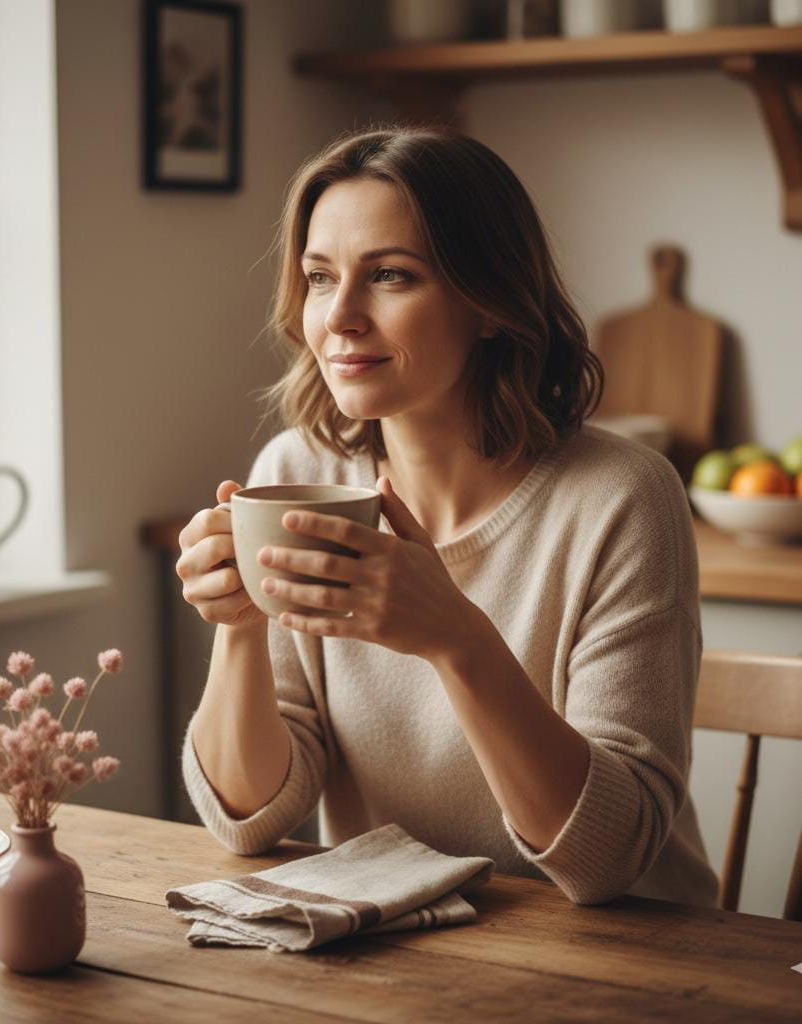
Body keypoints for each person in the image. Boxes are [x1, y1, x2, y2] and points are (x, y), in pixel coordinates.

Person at [175, 125, 720, 909]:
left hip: (633, 959)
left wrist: (454, 637)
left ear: (490, 303)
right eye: (320, 278)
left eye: (391, 276)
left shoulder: (621, 497)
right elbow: (248, 823)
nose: (339, 319)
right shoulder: (295, 477)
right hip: (400, 948)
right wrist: (239, 623)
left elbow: (607, 861)